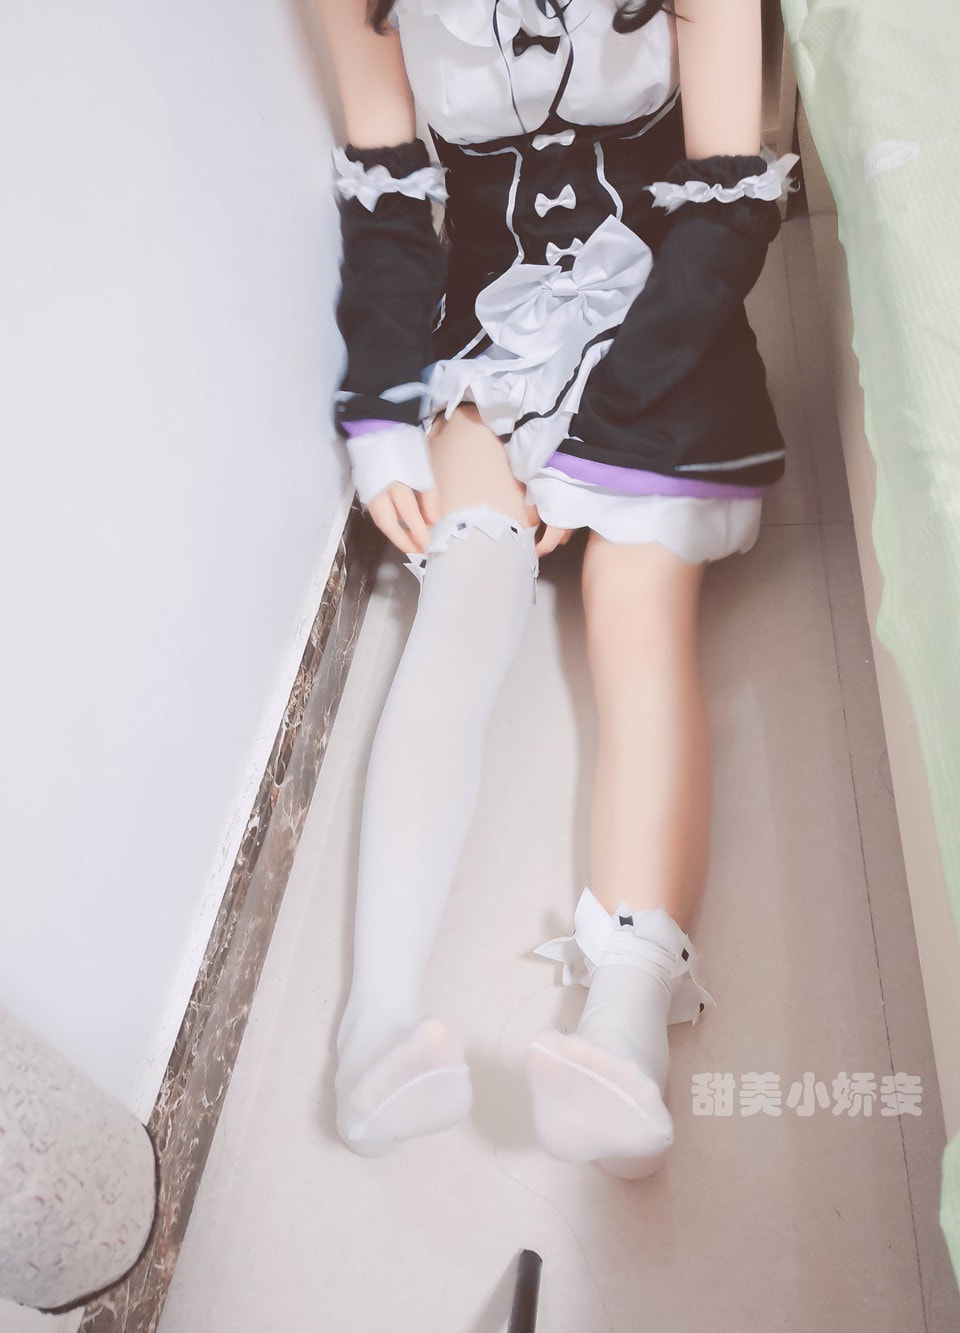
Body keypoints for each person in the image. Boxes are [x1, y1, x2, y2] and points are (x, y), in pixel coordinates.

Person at [317, 0, 798, 1178]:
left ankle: (625, 1028)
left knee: (637, 617)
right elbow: (388, 193)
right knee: (464, 592)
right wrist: (381, 408)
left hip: (665, 328)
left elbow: (727, 206)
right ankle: (375, 1026)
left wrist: (601, 434)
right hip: (497, 331)